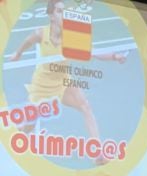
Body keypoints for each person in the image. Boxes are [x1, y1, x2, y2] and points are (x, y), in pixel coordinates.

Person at [10, 0, 127, 148]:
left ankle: (97, 152)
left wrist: (114, 56)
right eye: (59, 12)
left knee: (86, 106)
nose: (64, 16)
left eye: (65, 12)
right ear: (51, 16)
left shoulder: (71, 36)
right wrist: (18, 54)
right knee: (30, 125)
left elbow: (94, 52)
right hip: (42, 85)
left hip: (63, 81)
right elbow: (27, 41)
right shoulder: (41, 33)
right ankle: (21, 131)